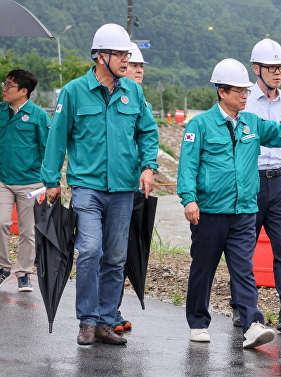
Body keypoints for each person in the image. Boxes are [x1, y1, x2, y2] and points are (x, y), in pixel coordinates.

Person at [177, 58, 281, 349]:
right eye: (239, 91)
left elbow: (279, 133)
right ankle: (198, 322)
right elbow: (187, 166)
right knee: (204, 268)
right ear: (221, 91)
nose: (245, 96)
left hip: (244, 211)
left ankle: (251, 323)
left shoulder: (252, 122)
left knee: (243, 269)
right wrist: (189, 199)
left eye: (247, 91)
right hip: (210, 211)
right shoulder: (199, 125)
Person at [41, 23, 159, 346]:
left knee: (116, 256)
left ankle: (107, 320)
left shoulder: (133, 91)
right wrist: (51, 180)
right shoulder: (74, 92)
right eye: (120, 54)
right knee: (91, 249)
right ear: (100, 56)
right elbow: (57, 138)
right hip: (87, 188)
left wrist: (149, 166)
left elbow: (147, 132)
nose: (126, 59)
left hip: (123, 190)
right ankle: (87, 320)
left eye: (127, 53)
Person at [230, 38, 281, 333]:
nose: (278, 72)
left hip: (279, 181)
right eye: (272, 67)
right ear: (257, 69)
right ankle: (243, 306)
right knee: (244, 247)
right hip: (250, 181)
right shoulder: (243, 100)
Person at [111, 42, 149, 334]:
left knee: (126, 249)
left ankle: (113, 307)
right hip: (110, 185)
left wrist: (148, 168)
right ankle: (108, 310)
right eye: (133, 65)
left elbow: (148, 137)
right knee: (105, 249)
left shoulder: (140, 101)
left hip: (136, 186)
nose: (138, 70)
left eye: (141, 66)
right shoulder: (111, 96)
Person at [0, 69, 50, 292]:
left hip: (31, 182)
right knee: (1, 223)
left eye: (9, 85)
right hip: (2, 180)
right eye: (5, 84)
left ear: (23, 91)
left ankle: (24, 274)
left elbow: (49, 149)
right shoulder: (0, 111)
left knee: (27, 231)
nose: (4, 88)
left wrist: (51, 181)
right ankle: (3, 267)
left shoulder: (39, 116)